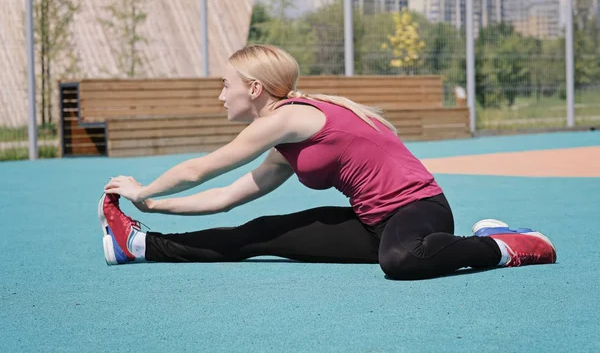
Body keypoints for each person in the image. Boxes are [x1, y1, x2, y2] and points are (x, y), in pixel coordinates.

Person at [99, 44, 556, 280]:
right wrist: (154, 210)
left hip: (419, 210)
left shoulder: (288, 119)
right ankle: (140, 247)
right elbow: (224, 197)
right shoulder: (288, 140)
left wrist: (144, 189)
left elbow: (204, 169)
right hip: (370, 222)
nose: (221, 96)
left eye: (226, 85)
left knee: (401, 260)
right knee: (257, 235)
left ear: (255, 88)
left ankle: (506, 245)